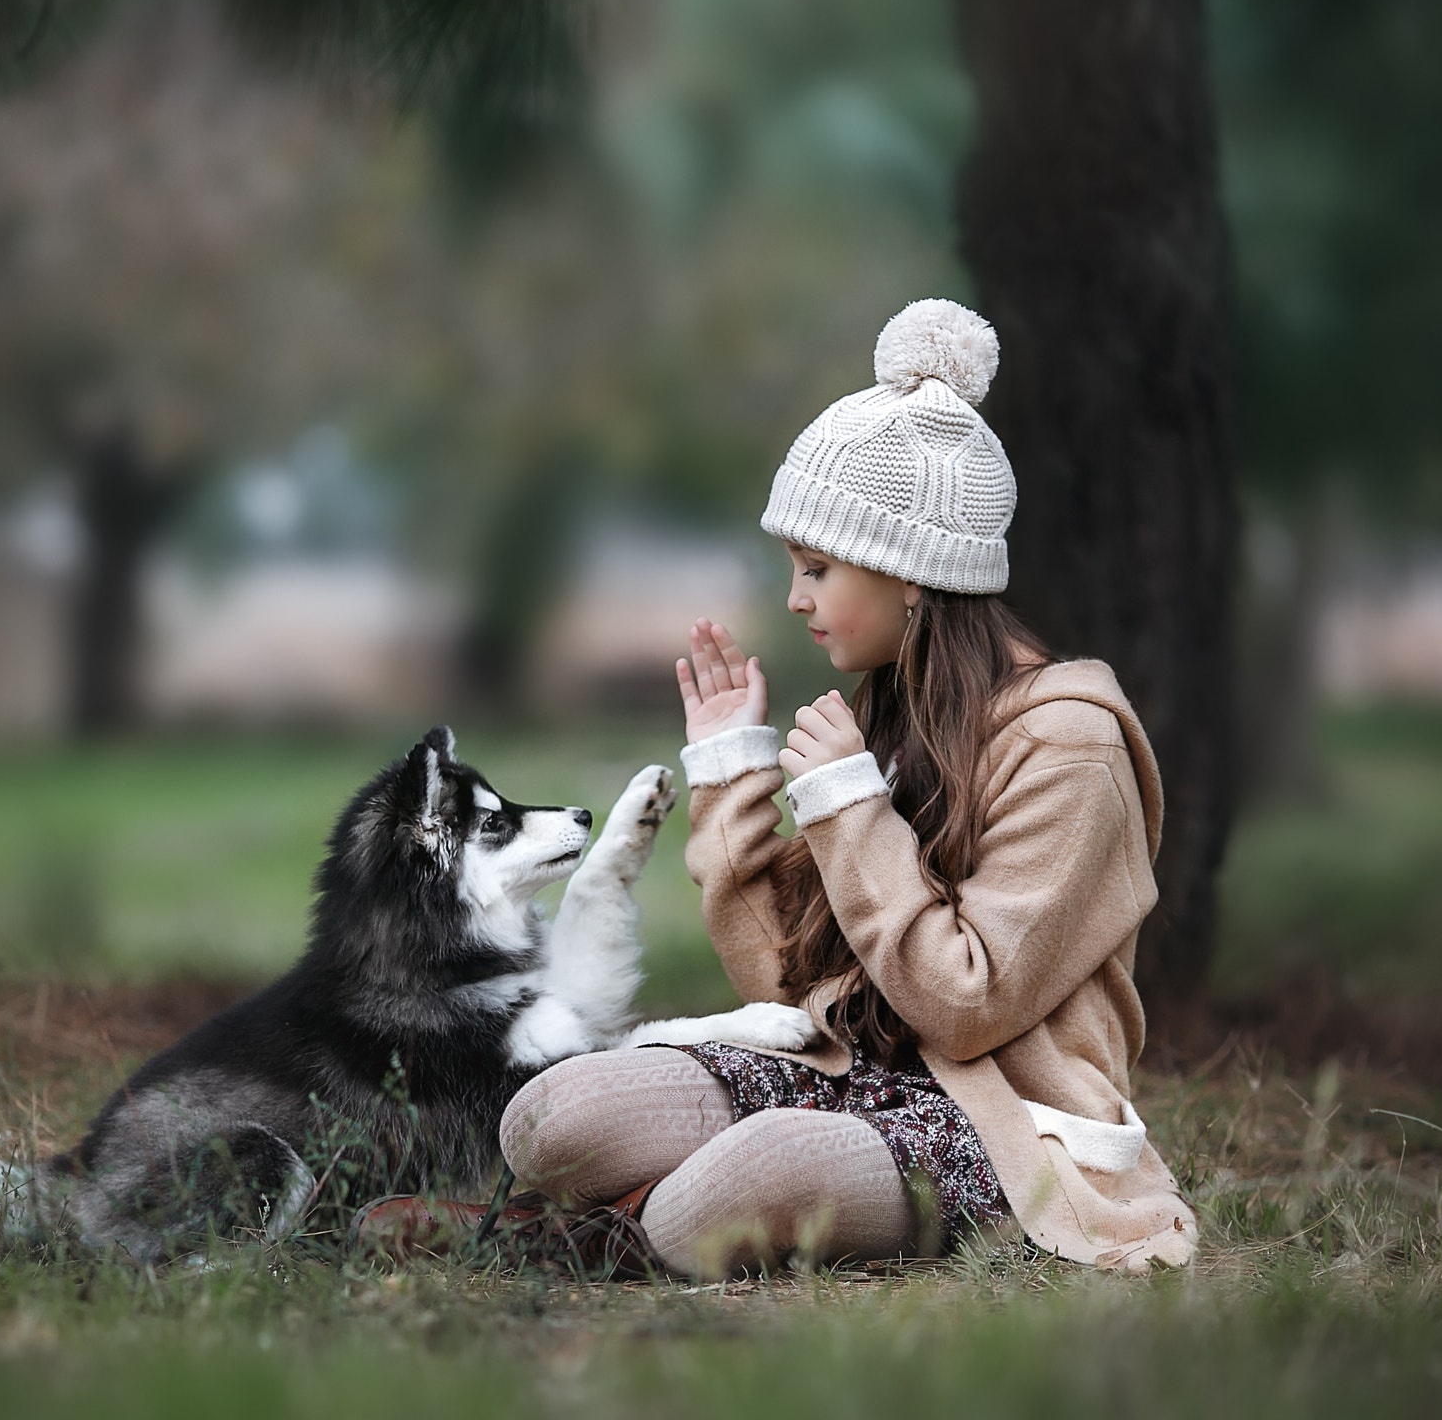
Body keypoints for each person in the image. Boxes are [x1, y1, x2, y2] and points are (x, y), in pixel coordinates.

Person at [497, 298, 1197, 1276]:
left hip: (1004, 1126)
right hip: (844, 1074)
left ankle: (593, 1233)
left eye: (817, 567)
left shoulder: (1069, 745)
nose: (795, 598)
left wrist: (849, 808)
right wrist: (733, 773)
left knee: (743, 1181)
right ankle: (636, 1211)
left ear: (909, 573)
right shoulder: (884, 720)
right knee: (551, 1117)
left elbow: (964, 1005)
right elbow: (787, 992)